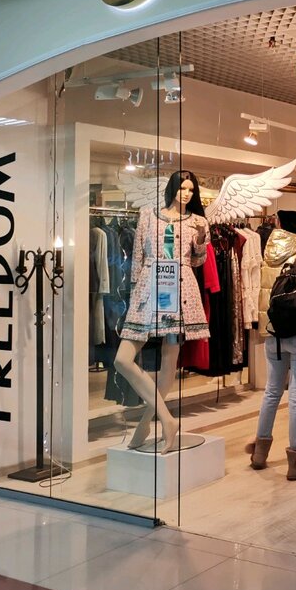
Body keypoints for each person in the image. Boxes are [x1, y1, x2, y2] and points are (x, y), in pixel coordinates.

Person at [117, 171, 210, 454]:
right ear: (172, 188)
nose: (187, 194)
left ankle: (147, 422)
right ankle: (167, 419)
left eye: (191, 190)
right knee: (122, 360)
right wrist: (134, 291)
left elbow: (198, 261)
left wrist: (201, 239)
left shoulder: (198, 221)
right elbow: (138, 256)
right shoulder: (148, 215)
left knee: (170, 361)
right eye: (182, 188)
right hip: (149, 286)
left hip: (180, 287)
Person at [245, 210, 296, 480]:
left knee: (272, 391)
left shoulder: (268, 255)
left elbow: (264, 297)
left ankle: (259, 453)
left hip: (275, 334)